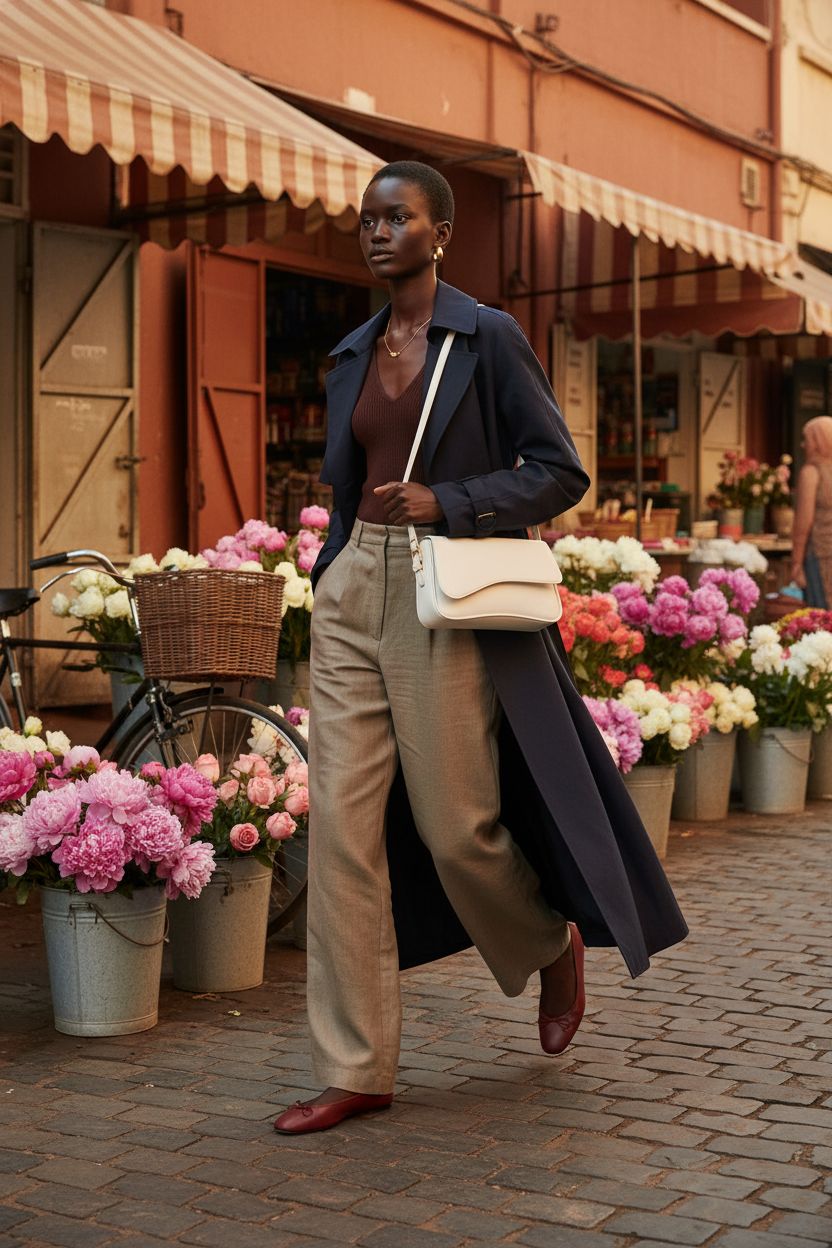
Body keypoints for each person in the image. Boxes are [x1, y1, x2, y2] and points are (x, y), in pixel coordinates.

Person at [273, 161, 687, 1136]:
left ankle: (547, 942)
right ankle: (356, 1066)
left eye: (397, 218)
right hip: (349, 594)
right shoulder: (349, 355)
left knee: (458, 824)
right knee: (339, 834)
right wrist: (330, 569)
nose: (377, 233)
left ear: (439, 232)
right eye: (367, 220)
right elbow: (347, 486)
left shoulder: (485, 337)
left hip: (439, 592)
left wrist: (450, 502)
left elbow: (558, 470)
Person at [791, 415, 832, 607]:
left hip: (820, 552)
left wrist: (796, 563)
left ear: (817, 442)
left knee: (822, 618)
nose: (802, 445)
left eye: (806, 439)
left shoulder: (811, 473)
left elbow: (803, 522)